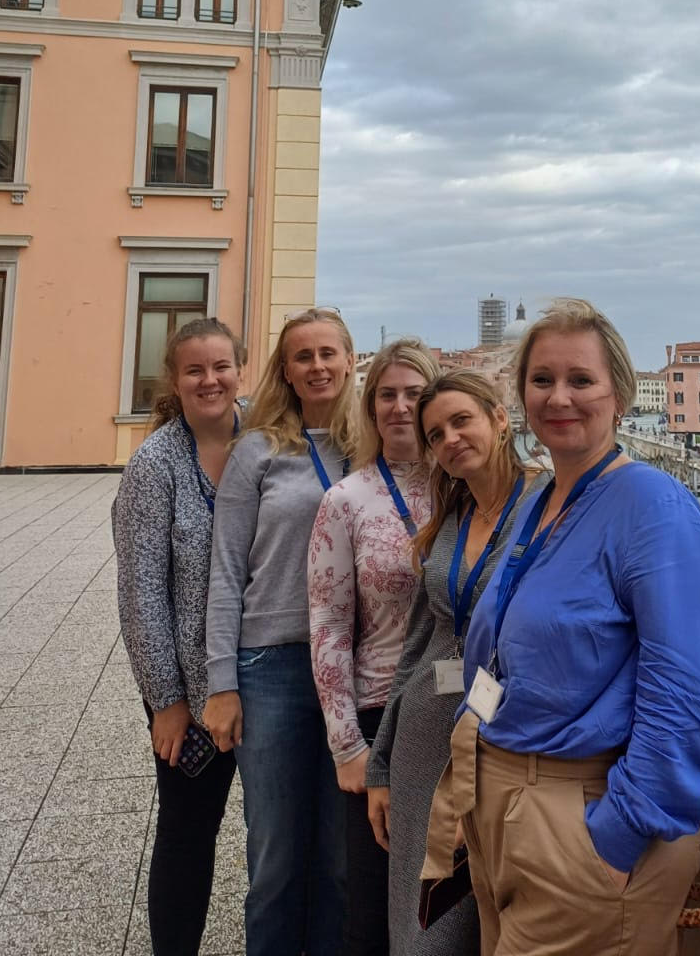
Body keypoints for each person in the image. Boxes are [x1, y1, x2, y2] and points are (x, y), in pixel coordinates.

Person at [424, 299, 700, 956]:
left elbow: (684, 693)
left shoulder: (655, 506)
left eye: (580, 380)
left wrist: (612, 842)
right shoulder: (541, 499)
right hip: (503, 812)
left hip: (579, 828)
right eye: (542, 380)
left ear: (618, 394)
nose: (558, 397)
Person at [366, 371, 540, 956]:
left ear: (499, 417)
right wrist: (381, 765)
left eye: (461, 421)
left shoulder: (548, 503)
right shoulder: (453, 514)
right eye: (436, 435)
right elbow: (417, 645)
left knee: (489, 925)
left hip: (502, 743)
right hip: (424, 743)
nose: (450, 440)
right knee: (420, 927)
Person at [203, 308, 355, 956]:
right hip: (271, 666)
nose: (317, 366)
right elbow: (225, 569)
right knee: (275, 857)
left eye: (328, 353)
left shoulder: (371, 448)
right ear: (286, 371)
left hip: (351, 667)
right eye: (303, 356)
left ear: (350, 360)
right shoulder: (258, 451)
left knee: (341, 859)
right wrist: (220, 682)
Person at [113, 316, 245, 956]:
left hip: (270, 674)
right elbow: (140, 592)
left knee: (282, 829)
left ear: (240, 370)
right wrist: (165, 700)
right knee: (189, 830)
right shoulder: (154, 466)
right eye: (195, 369)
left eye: (221, 366)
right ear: (174, 379)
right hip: (190, 691)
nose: (209, 380)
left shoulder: (267, 442)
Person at [307, 339, 438, 956]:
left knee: (451, 902)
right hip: (381, 715)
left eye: (414, 393)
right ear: (370, 406)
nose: (400, 406)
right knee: (374, 903)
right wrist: (347, 748)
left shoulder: (469, 487)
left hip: (466, 714)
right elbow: (328, 627)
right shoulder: (345, 501)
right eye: (387, 394)